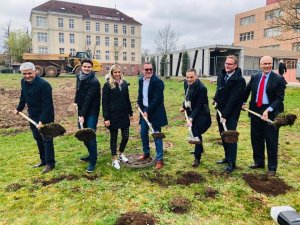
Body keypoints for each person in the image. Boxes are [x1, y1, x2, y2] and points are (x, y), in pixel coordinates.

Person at [243, 56, 286, 177]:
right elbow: (247, 91)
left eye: (269, 63)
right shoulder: (255, 77)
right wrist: (243, 102)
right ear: (260, 65)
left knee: (271, 140)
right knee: (256, 137)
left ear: (272, 64)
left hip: (270, 112)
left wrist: (268, 109)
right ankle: (259, 162)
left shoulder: (278, 79)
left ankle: (272, 167)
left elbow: (279, 99)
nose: (267, 66)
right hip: (255, 110)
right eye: (264, 64)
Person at [14, 62, 55, 174]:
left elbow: (47, 105)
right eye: (24, 74)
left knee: (47, 139)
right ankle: (43, 160)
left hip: (45, 116)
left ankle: (50, 164)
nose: (27, 76)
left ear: (35, 71)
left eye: (29, 73)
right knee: (38, 138)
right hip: (32, 115)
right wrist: (19, 108)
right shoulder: (23, 82)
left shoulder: (44, 85)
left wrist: (42, 120)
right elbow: (23, 96)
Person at [213, 55, 246, 173]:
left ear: (235, 66)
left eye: (230, 64)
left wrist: (225, 115)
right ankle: (227, 157)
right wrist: (215, 98)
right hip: (220, 111)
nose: (227, 65)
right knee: (223, 135)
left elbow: (233, 99)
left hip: (231, 114)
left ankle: (232, 163)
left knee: (231, 137)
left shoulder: (239, 80)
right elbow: (219, 89)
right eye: (226, 63)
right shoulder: (222, 75)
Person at [137, 62, 168, 170]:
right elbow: (141, 95)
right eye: (146, 69)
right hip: (144, 110)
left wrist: (148, 111)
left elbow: (157, 99)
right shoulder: (141, 80)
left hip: (155, 111)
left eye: (151, 69)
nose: (149, 71)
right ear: (143, 71)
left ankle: (160, 159)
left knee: (156, 134)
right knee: (143, 133)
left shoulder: (158, 82)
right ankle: (146, 153)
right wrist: (139, 104)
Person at [102, 64, 133, 170]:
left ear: (121, 73)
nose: (117, 74)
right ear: (111, 73)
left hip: (124, 114)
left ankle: (121, 153)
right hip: (112, 116)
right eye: (115, 72)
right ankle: (114, 159)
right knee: (114, 138)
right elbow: (104, 103)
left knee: (125, 136)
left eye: (119, 72)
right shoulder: (107, 85)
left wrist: (130, 112)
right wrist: (106, 118)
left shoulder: (124, 84)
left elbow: (127, 99)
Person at [180, 68, 211, 167]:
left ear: (196, 76)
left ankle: (197, 158)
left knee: (196, 134)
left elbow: (198, 106)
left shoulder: (202, 88)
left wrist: (191, 118)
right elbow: (187, 96)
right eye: (187, 77)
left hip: (201, 114)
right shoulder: (186, 83)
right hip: (191, 111)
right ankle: (200, 149)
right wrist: (184, 106)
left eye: (191, 77)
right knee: (195, 131)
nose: (189, 79)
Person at [74, 58, 101, 173]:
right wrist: (76, 102)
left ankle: (93, 161)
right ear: (81, 67)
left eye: (89, 67)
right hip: (82, 109)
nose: (86, 69)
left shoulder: (94, 81)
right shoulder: (79, 77)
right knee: (83, 135)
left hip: (91, 112)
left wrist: (82, 115)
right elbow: (78, 91)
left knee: (90, 135)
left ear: (92, 68)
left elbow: (89, 99)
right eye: (84, 66)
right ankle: (91, 154)